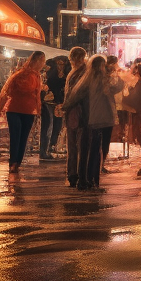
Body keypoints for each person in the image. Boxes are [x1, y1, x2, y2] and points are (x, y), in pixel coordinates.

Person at [69, 55, 123, 190]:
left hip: (89, 118)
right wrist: (120, 76)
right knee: (98, 150)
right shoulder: (103, 79)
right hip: (102, 119)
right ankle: (92, 179)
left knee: (87, 149)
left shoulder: (86, 79)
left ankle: (84, 179)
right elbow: (116, 88)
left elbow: (76, 95)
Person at [0, 51, 46, 178]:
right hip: (17, 109)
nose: (43, 64)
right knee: (17, 135)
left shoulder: (33, 76)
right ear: (37, 61)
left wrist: (37, 109)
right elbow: (11, 91)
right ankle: (14, 162)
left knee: (22, 136)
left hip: (27, 110)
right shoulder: (24, 75)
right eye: (42, 61)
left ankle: (16, 162)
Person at [58, 47, 88, 187]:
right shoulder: (75, 72)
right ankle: (73, 173)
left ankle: (75, 174)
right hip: (74, 111)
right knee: (74, 144)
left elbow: (77, 93)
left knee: (78, 144)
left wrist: (65, 105)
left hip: (78, 111)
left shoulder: (82, 73)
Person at [123, 62, 141, 176]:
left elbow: (135, 98)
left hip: (140, 114)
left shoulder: (140, 83)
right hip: (139, 114)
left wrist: (124, 98)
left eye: (134, 71)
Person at [39, 56, 67, 160]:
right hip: (48, 102)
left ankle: (51, 147)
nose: (61, 66)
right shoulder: (50, 72)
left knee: (57, 125)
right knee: (48, 127)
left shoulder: (66, 73)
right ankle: (44, 150)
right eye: (59, 64)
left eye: (62, 64)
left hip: (58, 102)